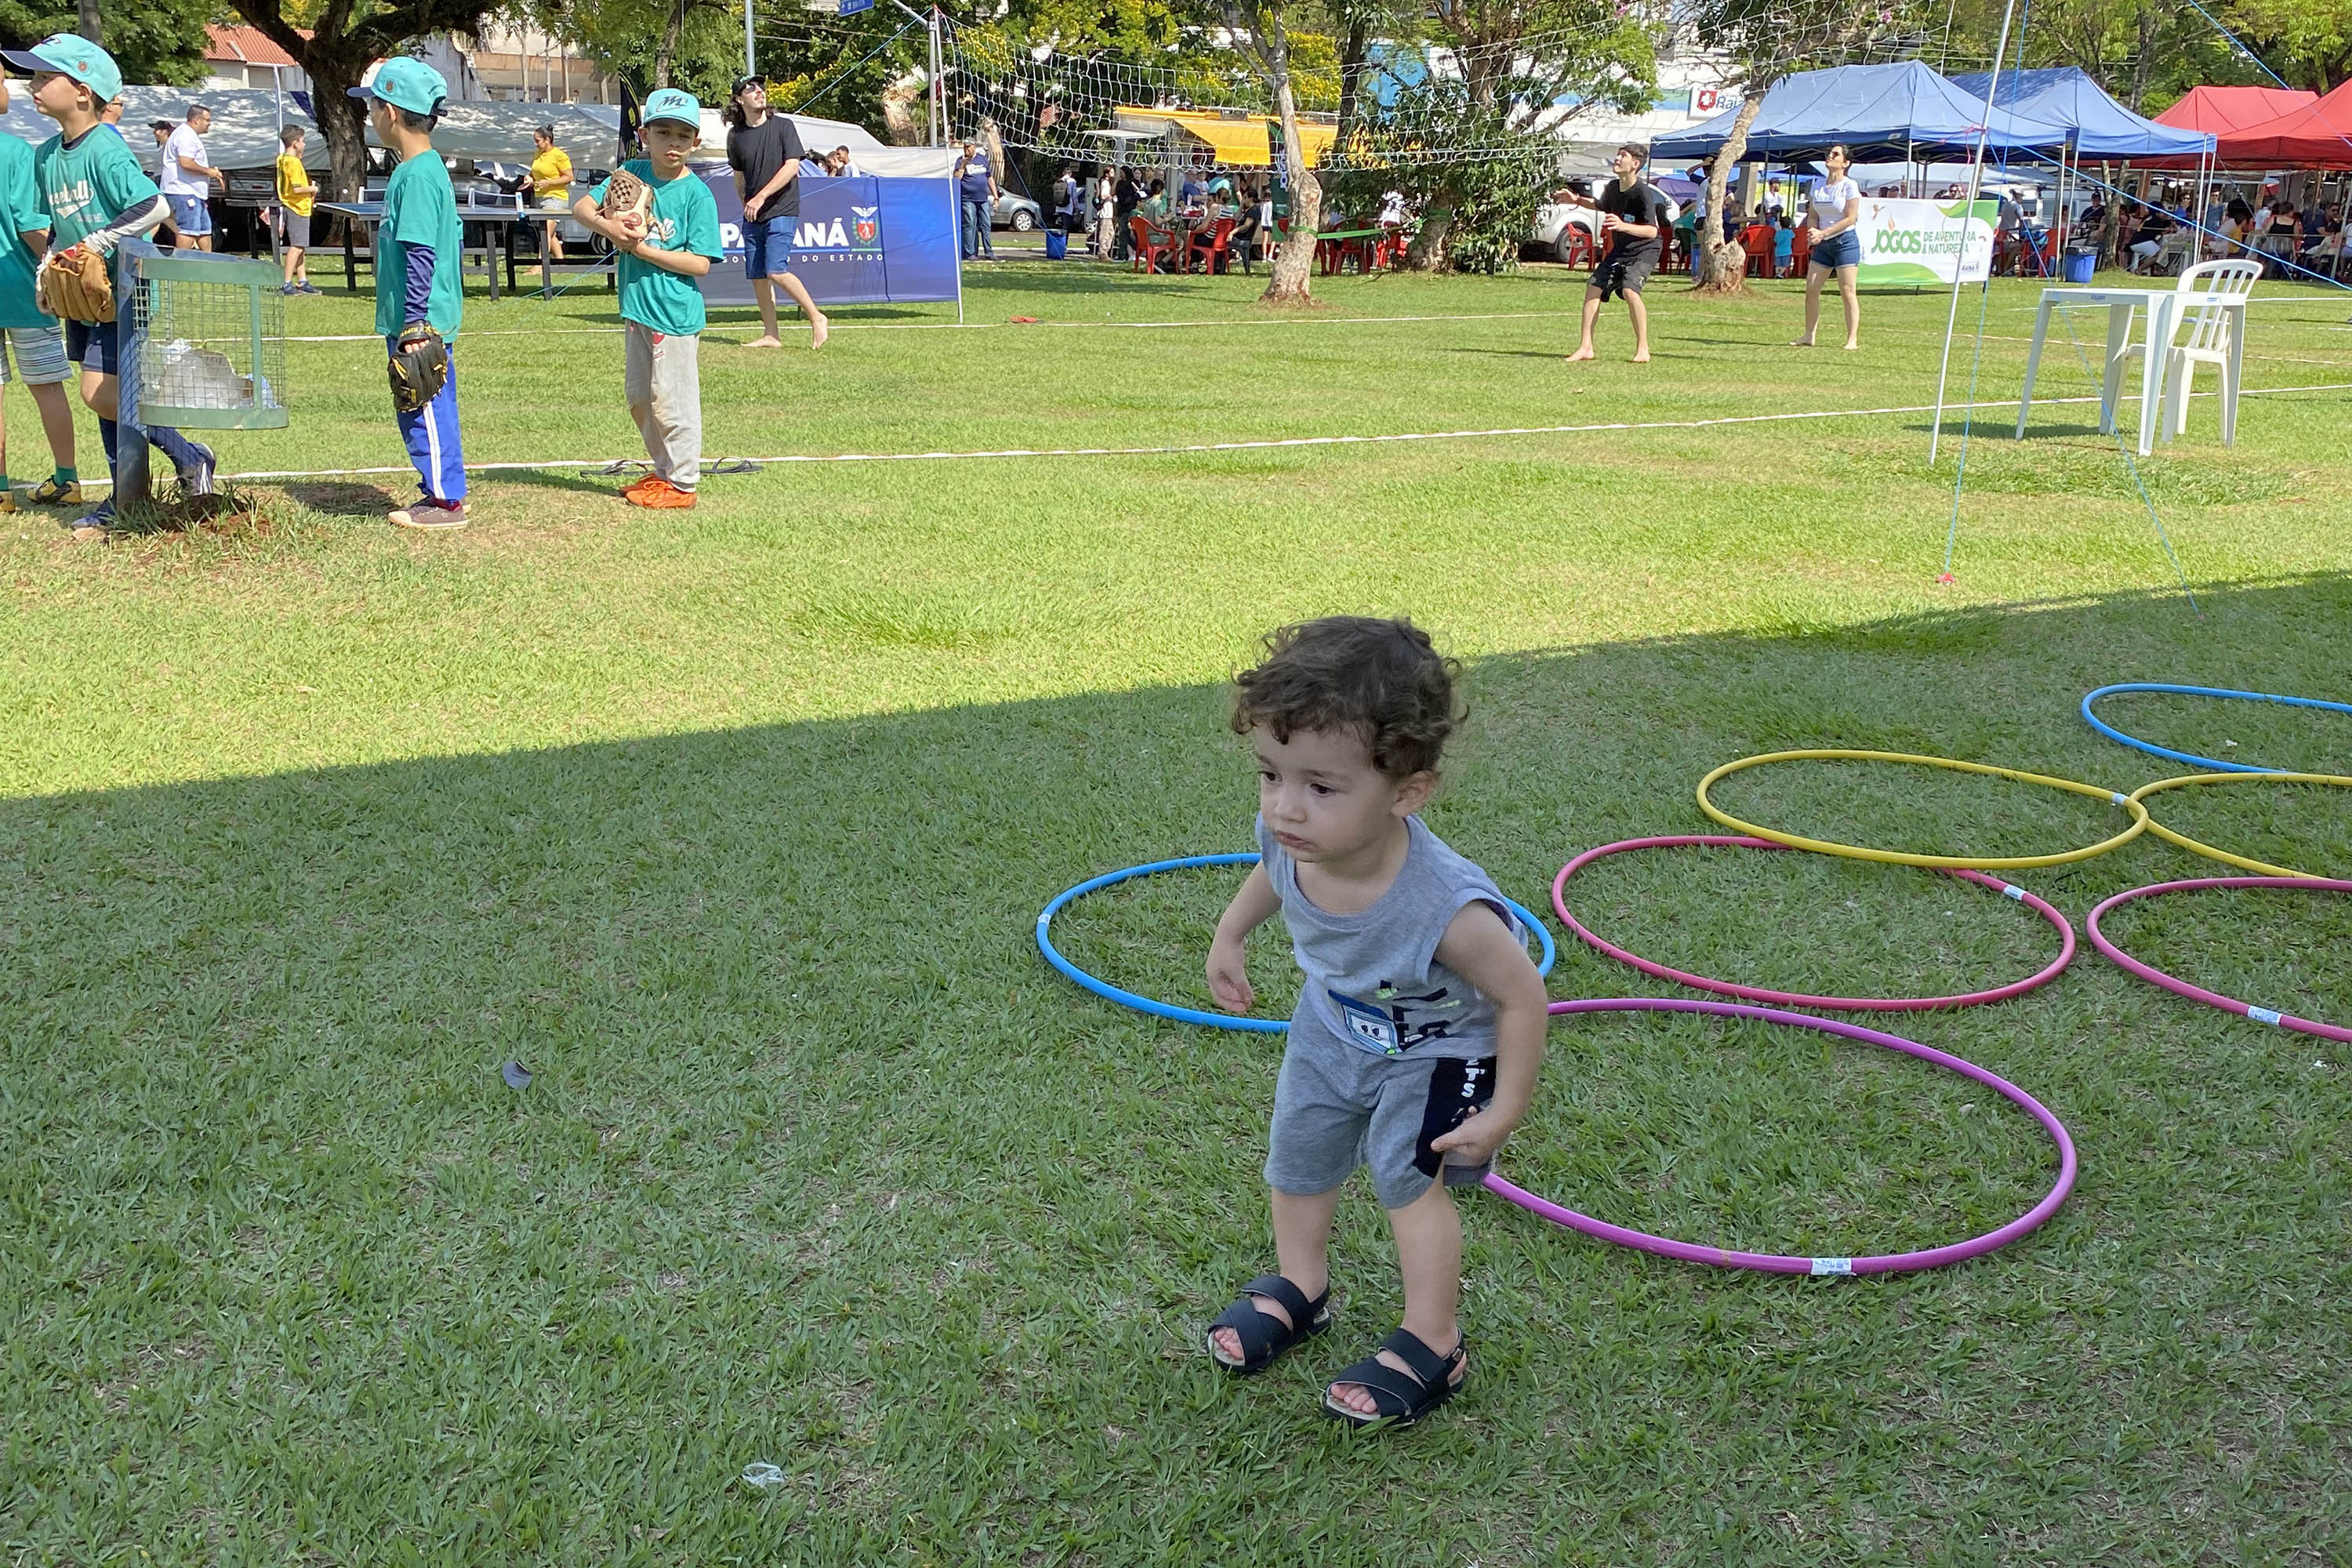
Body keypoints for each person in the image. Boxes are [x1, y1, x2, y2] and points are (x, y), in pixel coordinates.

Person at [1201, 616, 1548, 1431]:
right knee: (1298, 1155)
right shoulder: (1291, 835)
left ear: (1406, 790)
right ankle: (1301, 1288)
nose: (1286, 806)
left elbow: (1522, 995)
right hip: (1331, 1025)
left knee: (1406, 1180)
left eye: (1320, 786)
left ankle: (1434, 1341)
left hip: (1436, 1052)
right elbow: (1273, 869)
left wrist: (1504, 1110)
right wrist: (1230, 929)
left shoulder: (1446, 906)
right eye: (1270, 773)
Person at [7, 32, 216, 536]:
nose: (31, 86)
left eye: (43, 76)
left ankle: (188, 457)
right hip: (85, 294)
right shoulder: (46, 154)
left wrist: (99, 242)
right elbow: (58, 224)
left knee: (101, 394)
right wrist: (47, 269)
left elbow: (154, 206)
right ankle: (127, 495)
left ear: (82, 91)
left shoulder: (105, 147)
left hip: (126, 289)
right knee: (110, 397)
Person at [574, 89, 723, 512]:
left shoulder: (697, 195)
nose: (673, 143)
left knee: (672, 402)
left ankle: (683, 484)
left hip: (673, 314)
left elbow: (701, 264)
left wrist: (642, 251)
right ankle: (664, 471)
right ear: (645, 135)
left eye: (683, 135)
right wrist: (611, 230)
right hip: (638, 309)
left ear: (696, 142)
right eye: (663, 132)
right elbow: (581, 206)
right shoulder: (632, 172)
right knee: (641, 397)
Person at [354, 57, 467, 531]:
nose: (371, 116)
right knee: (415, 405)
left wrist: (416, 322)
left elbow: (422, 252)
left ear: (392, 113)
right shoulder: (416, 169)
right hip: (411, 316)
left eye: (374, 105)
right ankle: (435, 489)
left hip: (420, 321)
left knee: (427, 406)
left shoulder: (418, 174)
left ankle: (445, 502)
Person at [0, 74, 82, 520]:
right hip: (23, 288)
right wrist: (52, 268)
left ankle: (1, 489)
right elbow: (31, 223)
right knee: (47, 385)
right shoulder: (17, 153)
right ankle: (66, 478)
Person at [725, 77, 828, 350]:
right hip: (753, 213)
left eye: (761, 88)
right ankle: (772, 334)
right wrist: (745, 199)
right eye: (751, 89)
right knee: (758, 276)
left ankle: (817, 317)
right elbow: (739, 177)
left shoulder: (783, 126)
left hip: (782, 209)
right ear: (739, 99)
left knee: (776, 270)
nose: (759, 92)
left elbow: (791, 167)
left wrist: (759, 197)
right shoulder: (735, 136)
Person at [1553, 143, 1669, 364]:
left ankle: (1643, 349)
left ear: (1635, 164)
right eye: (1618, 154)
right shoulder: (1613, 187)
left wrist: (1623, 226)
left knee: (1630, 290)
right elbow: (1600, 205)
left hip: (1646, 249)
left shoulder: (1643, 193)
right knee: (1593, 287)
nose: (1617, 158)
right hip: (1622, 248)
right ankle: (1586, 347)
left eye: (1623, 156)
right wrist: (1576, 200)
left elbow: (1652, 231)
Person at [1794, 142, 1863, 350]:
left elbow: (1851, 218)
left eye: (1836, 154)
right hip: (1823, 245)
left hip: (1845, 243)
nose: (1830, 156)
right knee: (1812, 290)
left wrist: (1823, 233)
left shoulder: (1850, 185)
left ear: (1846, 163)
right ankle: (1809, 335)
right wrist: (1813, 232)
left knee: (1847, 291)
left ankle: (1852, 339)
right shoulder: (1818, 186)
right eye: (1830, 153)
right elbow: (1813, 215)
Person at [158, 103, 223, 252]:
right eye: (207, 120)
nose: (209, 124)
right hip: (183, 191)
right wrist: (209, 172)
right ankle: (179, 268)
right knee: (187, 230)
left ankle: (207, 264)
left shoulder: (188, 135)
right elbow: (185, 162)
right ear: (196, 120)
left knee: (204, 230)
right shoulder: (186, 136)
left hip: (194, 192)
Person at [274, 125, 321, 295]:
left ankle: (302, 281)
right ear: (295, 143)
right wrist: (313, 189)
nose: (304, 145)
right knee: (297, 246)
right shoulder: (293, 163)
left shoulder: (282, 159)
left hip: (295, 207)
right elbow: (297, 189)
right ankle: (286, 282)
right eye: (302, 141)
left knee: (301, 246)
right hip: (296, 207)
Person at [529, 125, 572, 270]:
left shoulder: (559, 156)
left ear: (547, 139)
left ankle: (539, 266)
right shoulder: (537, 154)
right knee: (550, 233)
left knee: (546, 232)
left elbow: (569, 177)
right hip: (540, 197)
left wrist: (549, 182)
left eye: (537, 140)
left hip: (556, 198)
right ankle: (561, 263)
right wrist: (528, 178)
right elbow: (534, 173)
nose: (536, 144)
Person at [956, 136, 996, 260]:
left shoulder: (982, 159)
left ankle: (989, 253)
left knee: (986, 225)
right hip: (968, 199)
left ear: (974, 147)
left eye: (968, 147)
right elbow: (957, 179)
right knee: (970, 225)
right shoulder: (960, 161)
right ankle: (970, 253)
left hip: (983, 199)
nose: (966, 149)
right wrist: (963, 165)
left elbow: (989, 178)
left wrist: (996, 196)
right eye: (965, 147)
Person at [1771, 213, 1794, 277]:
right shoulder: (1790, 232)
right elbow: (1794, 236)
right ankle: (1780, 273)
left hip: (1778, 251)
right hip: (1787, 251)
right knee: (1785, 265)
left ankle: (1777, 273)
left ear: (1781, 224)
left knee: (1777, 264)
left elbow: (1775, 240)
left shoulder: (1778, 233)